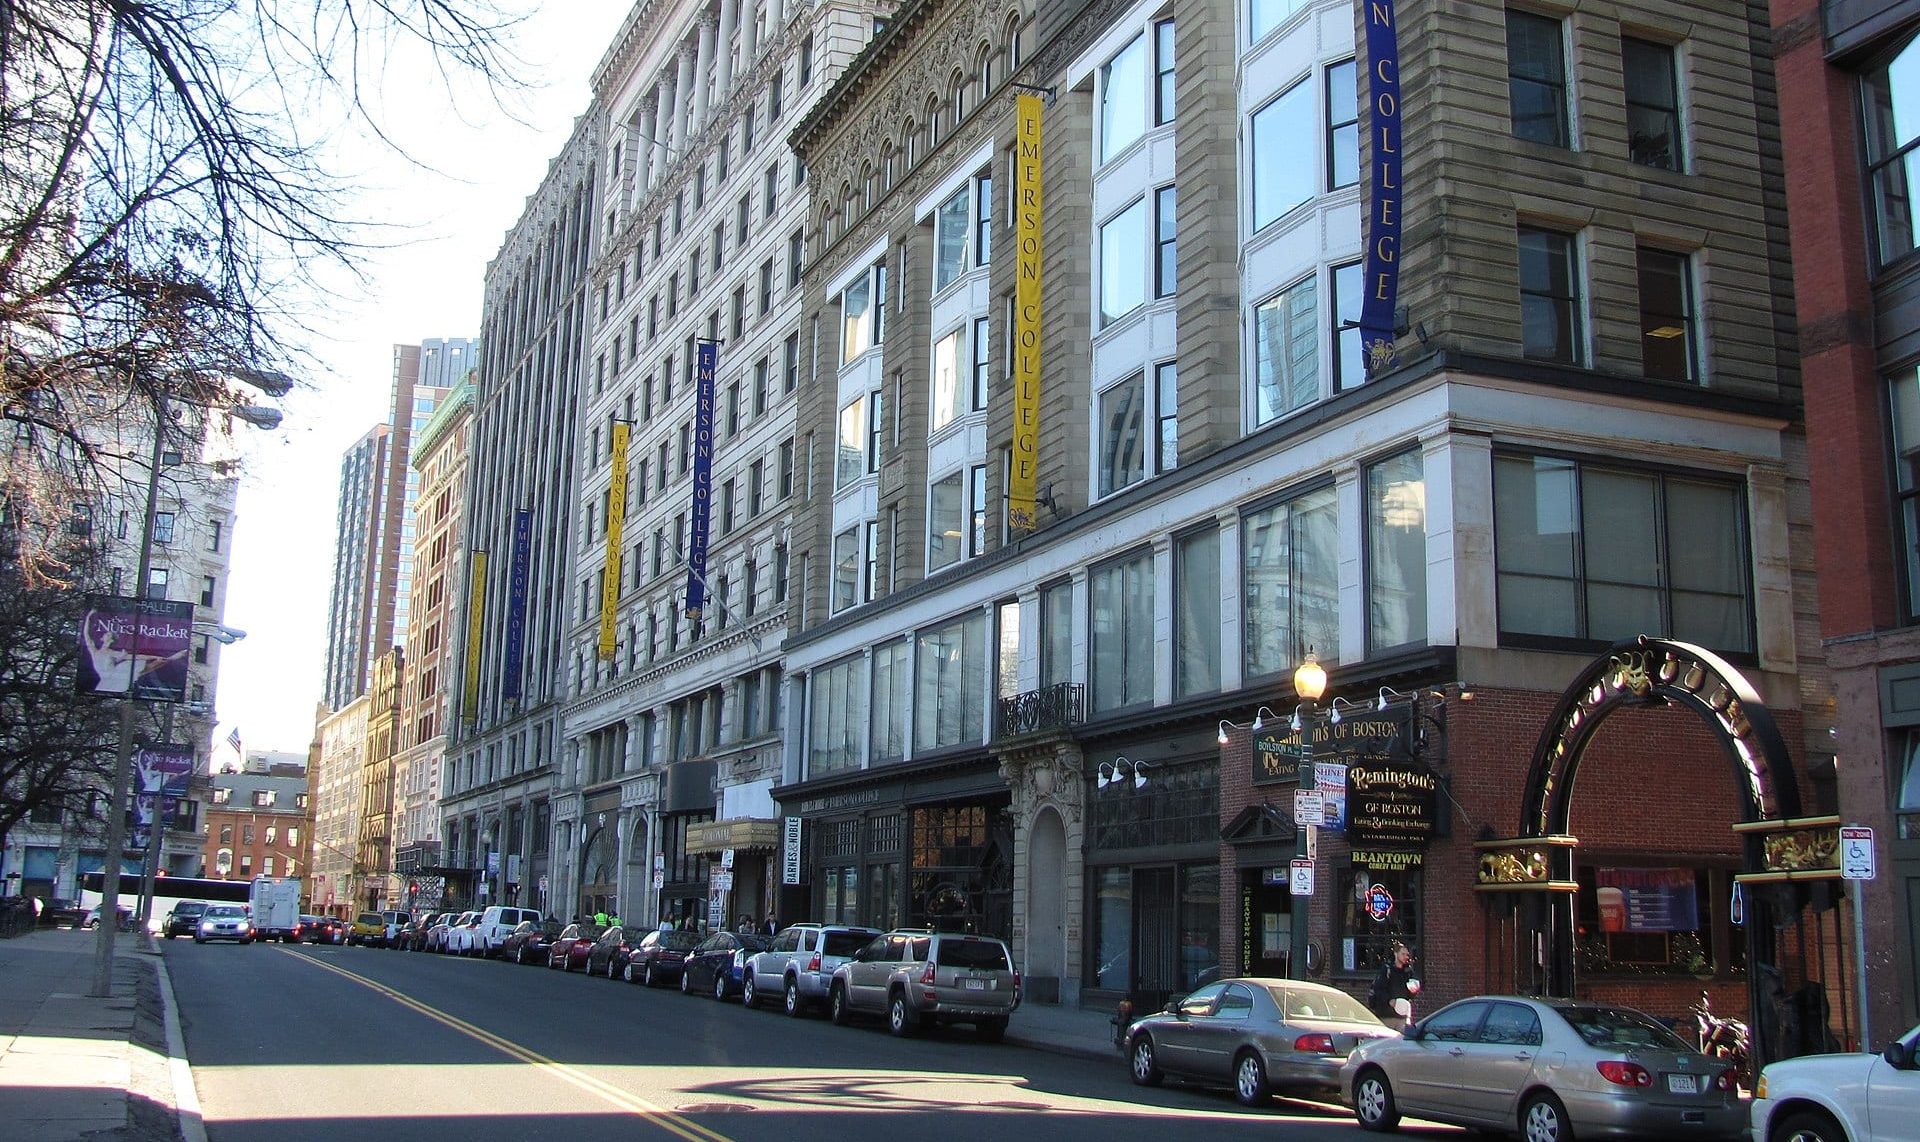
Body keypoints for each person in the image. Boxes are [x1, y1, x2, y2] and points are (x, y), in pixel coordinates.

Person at [1367, 941, 1421, 1028]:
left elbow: (1409, 995)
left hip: (1402, 1015)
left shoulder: (1408, 971)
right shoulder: (1387, 969)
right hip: (1387, 1015)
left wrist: (1413, 991)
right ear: (1396, 954)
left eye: (1407, 955)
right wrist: (1389, 1000)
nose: (1406, 957)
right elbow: (1379, 989)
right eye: (1403, 954)